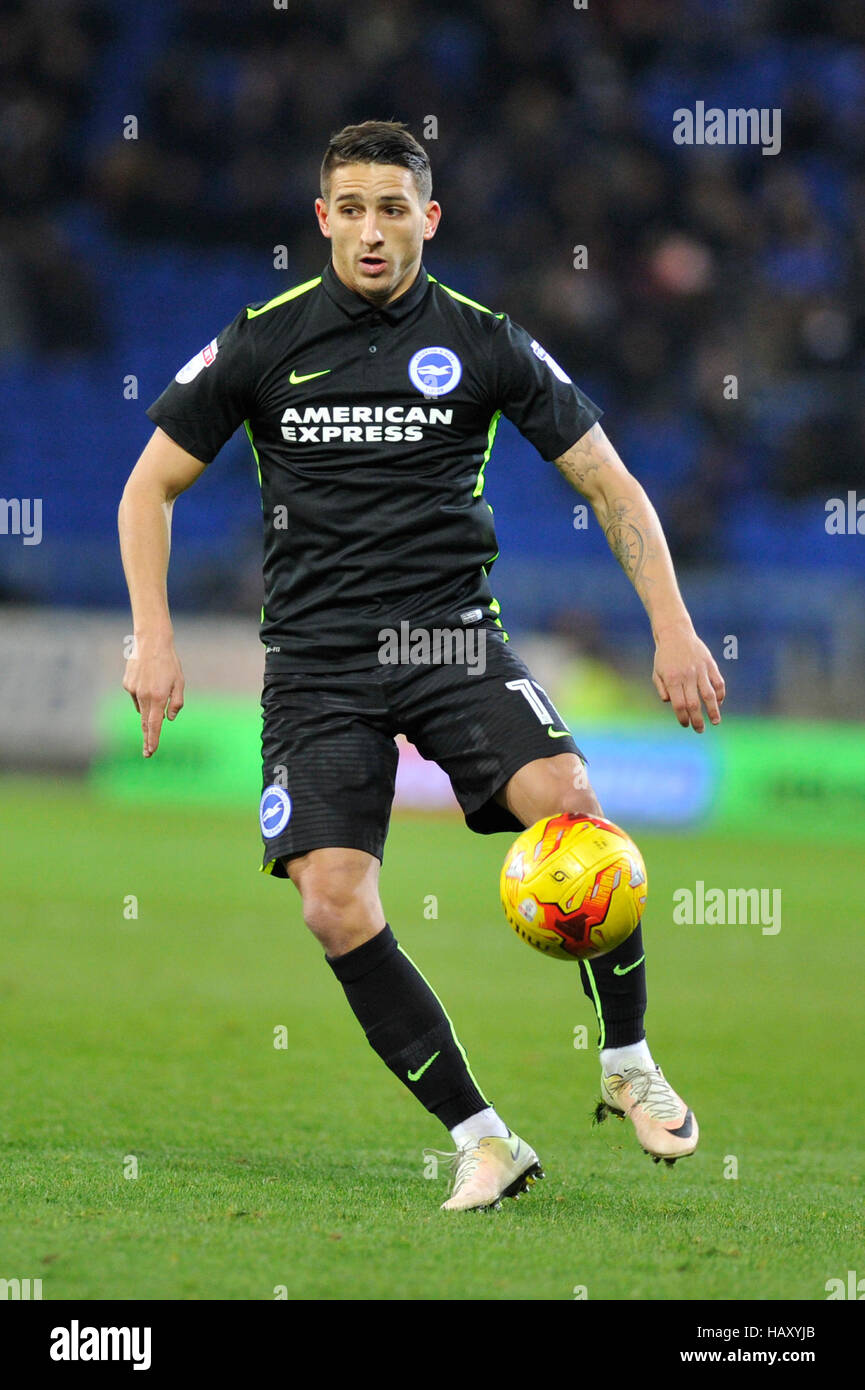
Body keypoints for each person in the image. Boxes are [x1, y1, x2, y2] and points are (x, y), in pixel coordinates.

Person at [118, 121, 725, 1213]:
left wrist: (672, 628)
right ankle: (483, 1138)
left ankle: (627, 1059)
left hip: (447, 635)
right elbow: (145, 488)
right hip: (316, 662)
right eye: (349, 208)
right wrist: (151, 635)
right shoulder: (261, 342)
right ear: (321, 220)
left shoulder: (485, 339)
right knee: (331, 903)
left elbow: (612, 485)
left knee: (575, 807)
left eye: (392, 208)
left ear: (427, 220)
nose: (369, 229)